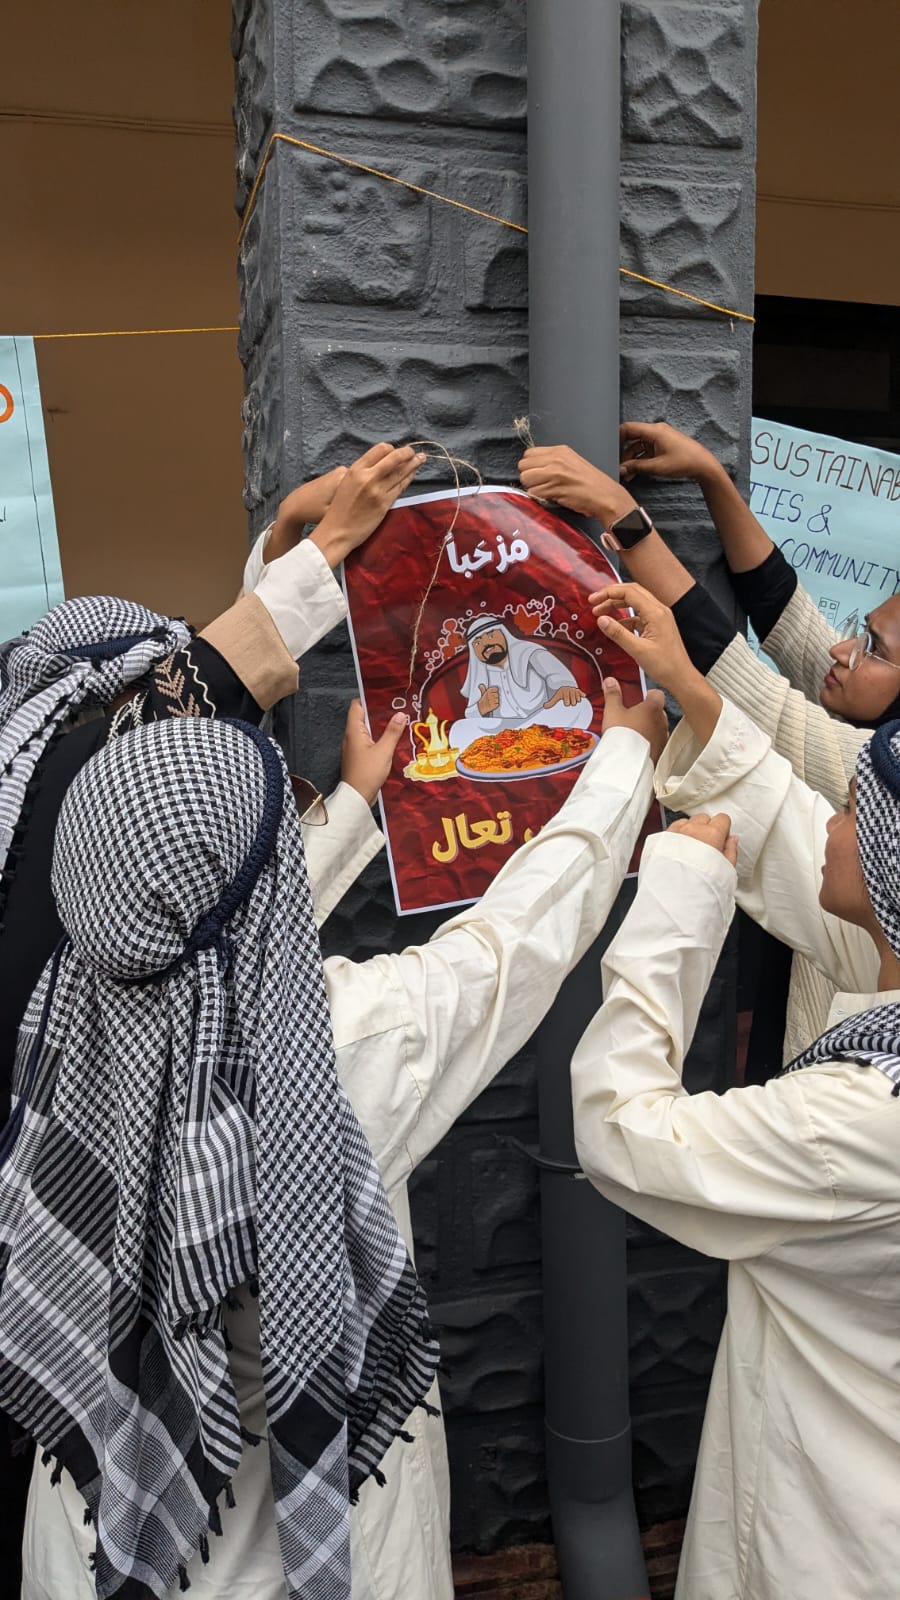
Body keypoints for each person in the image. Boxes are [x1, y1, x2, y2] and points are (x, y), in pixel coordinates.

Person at [3, 682, 668, 1600]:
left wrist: (355, 802)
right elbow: (517, 939)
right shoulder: (341, 1048)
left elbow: (204, 929)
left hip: (93, 1533)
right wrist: (625, 756)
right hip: (297, 1555)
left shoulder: (59, 1031)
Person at [0, 441, 423, 1582]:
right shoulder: (335, 1048)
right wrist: (322, 555)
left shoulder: (68, 997)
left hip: (70, 1509)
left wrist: (284, 556)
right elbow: (195, 799)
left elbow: (194, 879)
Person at [570, 583, 900, 1600]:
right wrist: (683, 681)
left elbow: (623, 1130)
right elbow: (793, 834)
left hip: (835, 1536)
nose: (834, 816)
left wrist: (678, 892)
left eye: (861, 812)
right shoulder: (883, 970)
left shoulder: (862, 1119)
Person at [518, 432, 900, 1060]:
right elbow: (783, 610)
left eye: (874, 649)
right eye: (862, 631)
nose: (842, 648)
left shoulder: (877, 765)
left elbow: (739, 678)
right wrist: (711, 477)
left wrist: (623, 515)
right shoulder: (871, 715)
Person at [446, 613, 591, 752]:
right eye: (478, 642)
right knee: (459, 729)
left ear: (504, 634)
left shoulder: (529, 652)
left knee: (579, 705)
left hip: (544, 722)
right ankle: (511, 751)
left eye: (490, 635)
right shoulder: (480, 673)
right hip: (502, 734)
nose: (486, 644)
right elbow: (471, 714)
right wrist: (481, 707)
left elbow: (559, 676)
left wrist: (564, 687)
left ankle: (537, 745)